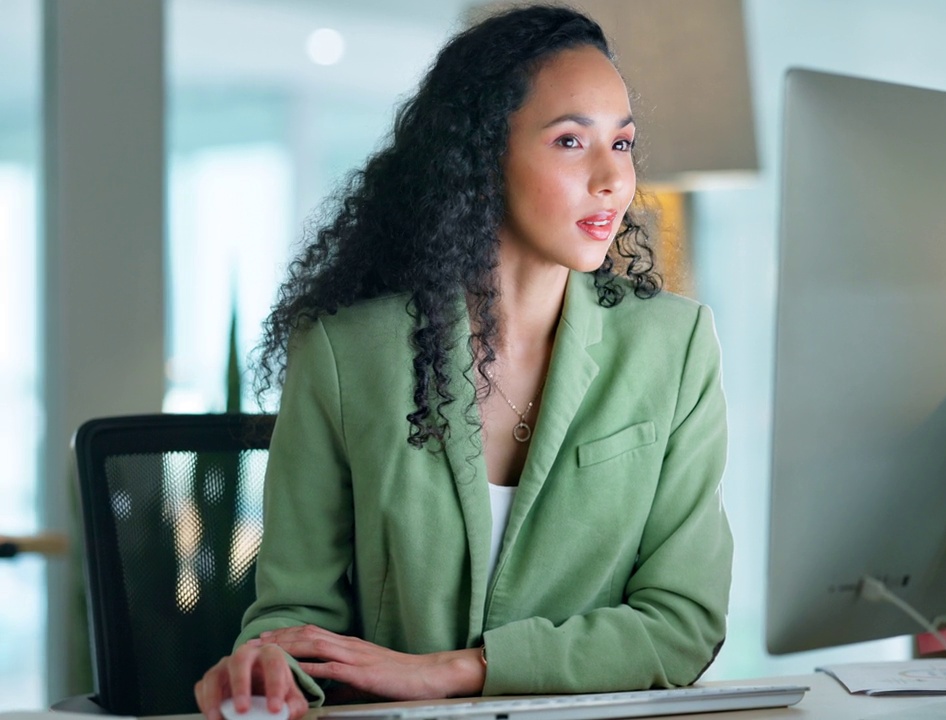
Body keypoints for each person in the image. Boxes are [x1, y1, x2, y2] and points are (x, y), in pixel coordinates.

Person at [193, 5, 733, 720]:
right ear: (481, 156)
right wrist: (266, 668)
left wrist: (454, 672)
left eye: (623, 143)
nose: (613, 179)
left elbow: (683, 622)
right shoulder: (345, 353)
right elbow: (295, 615)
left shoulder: (677, 344)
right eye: (572, 140)